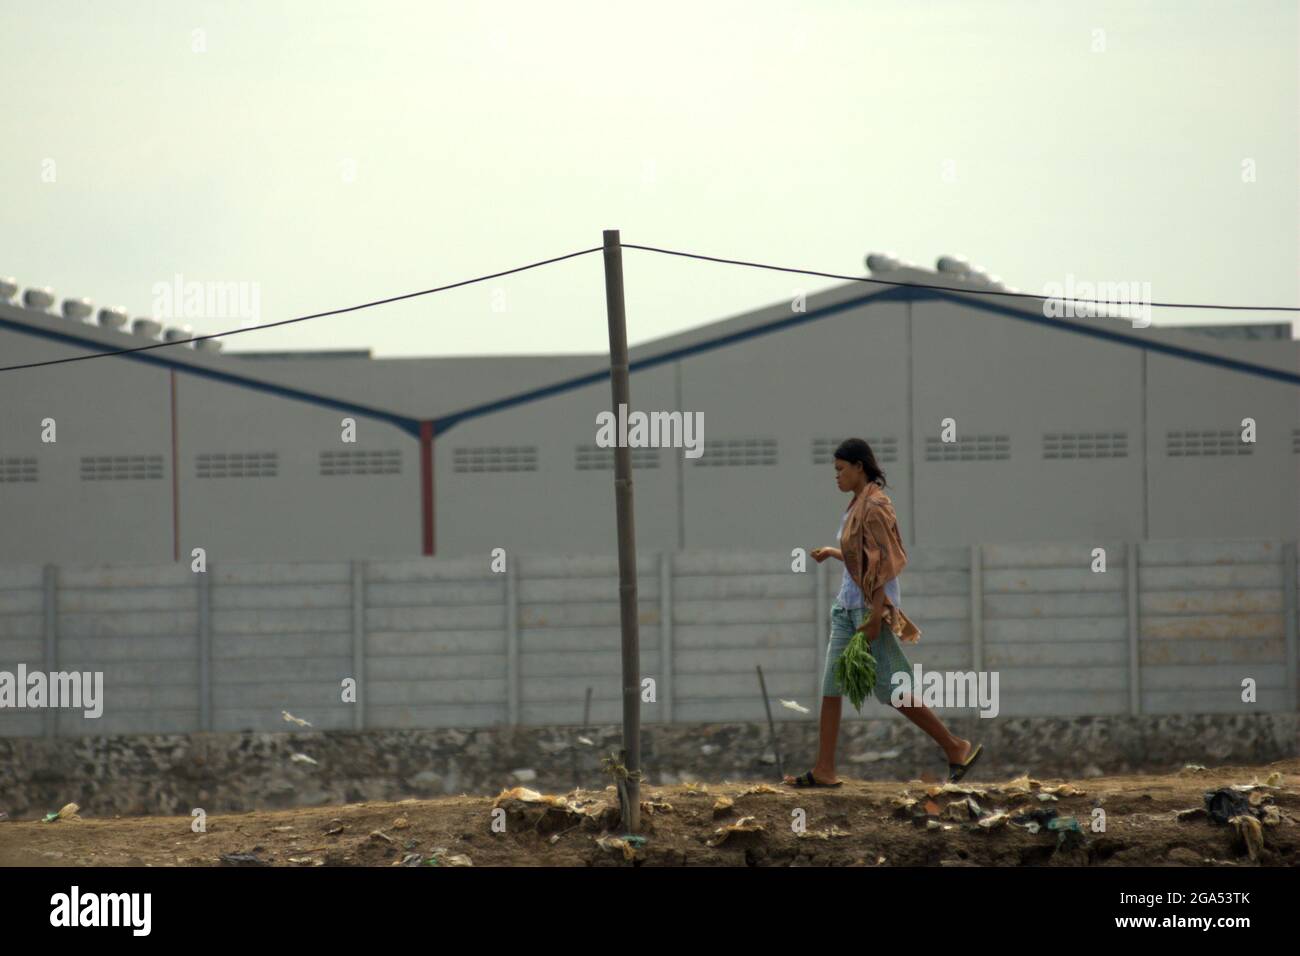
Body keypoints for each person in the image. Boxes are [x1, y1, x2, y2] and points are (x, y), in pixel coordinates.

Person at [783, 437, 983, 787]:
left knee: (892, 689)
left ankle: (955, 746)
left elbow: (882, 564)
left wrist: (876, 616)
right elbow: (861, 558)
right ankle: (824, 770)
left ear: (859, 467)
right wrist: (833, 552)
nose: (837, 477)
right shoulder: (856, 504)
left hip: (866, 611)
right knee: (832, 686)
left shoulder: (875, 507)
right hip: (846, 607)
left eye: (841, 469)